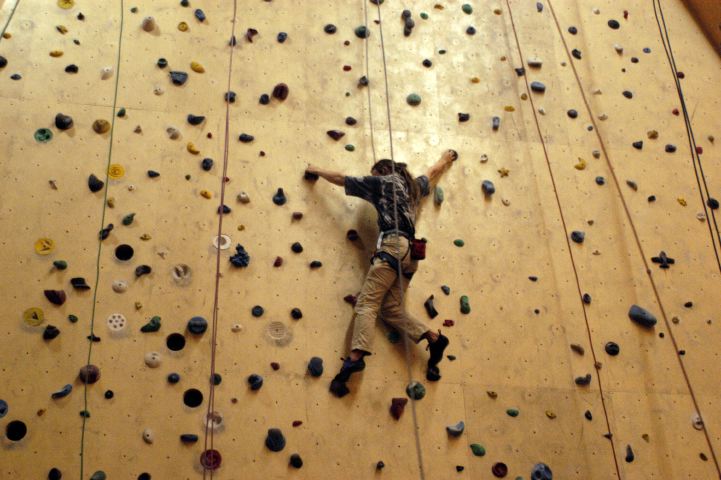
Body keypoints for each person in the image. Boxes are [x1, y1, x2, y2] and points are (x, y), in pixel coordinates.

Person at [305, 149, 457, 397]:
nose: (371, 176)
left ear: (382, 171)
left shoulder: (383, 182)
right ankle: (433, 337)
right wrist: (445, 159)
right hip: (411, 256)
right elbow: (431, 173)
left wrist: (316, 170)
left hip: (392, 247)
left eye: (374, 173)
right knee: (390, 310)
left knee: (367, 304)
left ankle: (355, 358)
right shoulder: (411, 186)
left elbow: (342, 179)